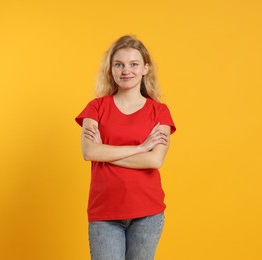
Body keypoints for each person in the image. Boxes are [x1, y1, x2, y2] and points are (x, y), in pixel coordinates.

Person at [75, 35, 176, 260]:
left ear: (145, 68)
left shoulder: (159, 112)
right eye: (118, 64)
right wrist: (141, 148)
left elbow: (154, 161)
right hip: (105, 213)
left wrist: (105, 151)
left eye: (133, 64)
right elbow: (89, 152)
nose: (125, 71)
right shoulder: (96, 108)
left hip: (147, 213)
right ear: (110, 69)